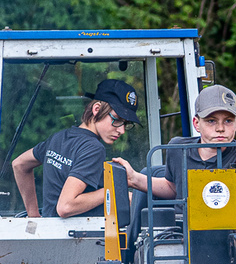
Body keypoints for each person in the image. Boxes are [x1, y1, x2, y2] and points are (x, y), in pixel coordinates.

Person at [10, 79, 172, 218]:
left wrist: (34, 217)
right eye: (117, 120)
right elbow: (66, 206)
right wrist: (114, 190)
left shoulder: (59, 137)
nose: (121, 130)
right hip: (79, 241)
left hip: (51, 233)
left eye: (126, 124)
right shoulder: (93, 148)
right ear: (96, 109)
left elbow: (19, 165)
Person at [164, 84, 236, 188]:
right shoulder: (178, 149)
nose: (220, 128)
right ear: (196, 123)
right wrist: (136, 179)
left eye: (228, 121)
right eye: (211, 121)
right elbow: (173, 188)